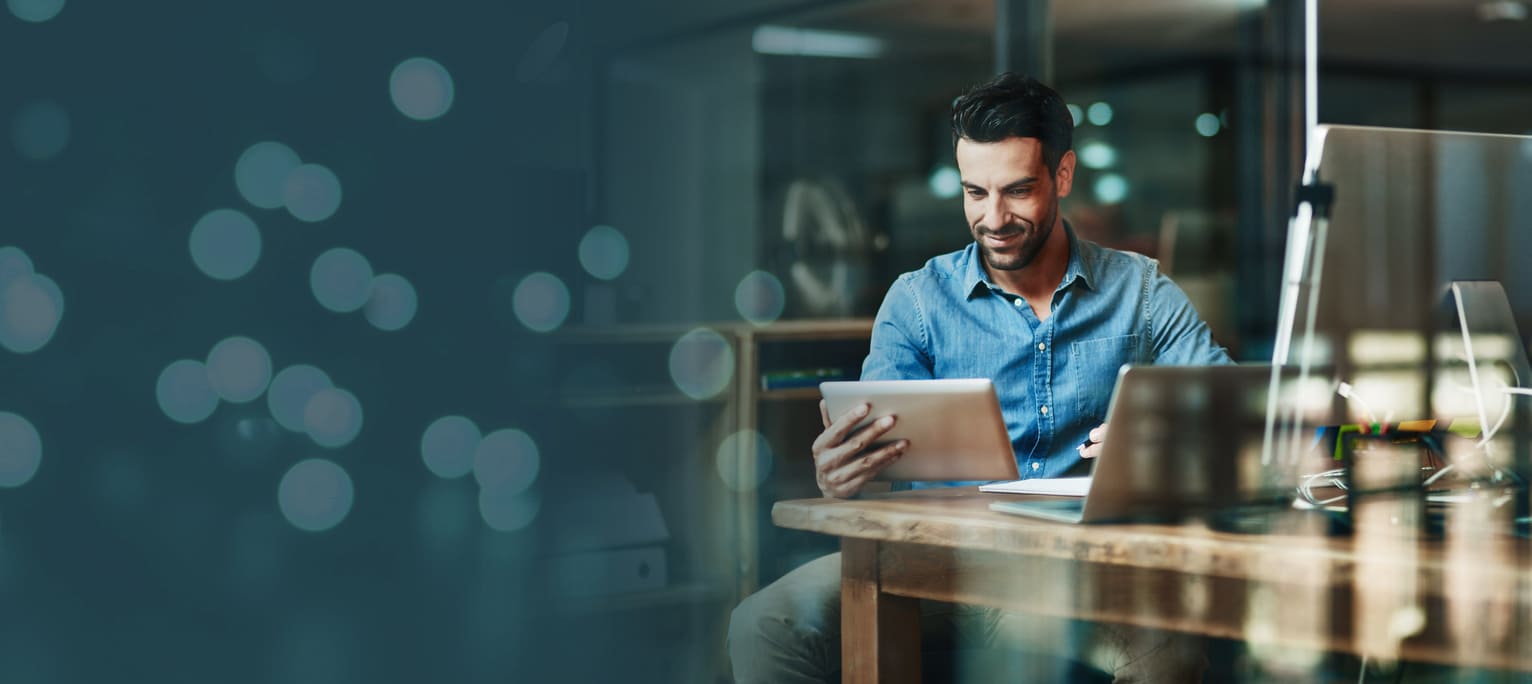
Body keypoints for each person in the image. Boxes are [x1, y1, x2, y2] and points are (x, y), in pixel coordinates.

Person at [727, 72, 1233, 683]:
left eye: (1018, 191)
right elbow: (876, 470)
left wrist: (1167, 446)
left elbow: (1234, 418)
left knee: (1165, 651)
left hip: (1077, 576)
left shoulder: (1143, 293)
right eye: (975, 193)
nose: (993, 218)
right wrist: (843, 475)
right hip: (931, 568)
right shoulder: (916, 301)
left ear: (1063, 175)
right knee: (765, 622)